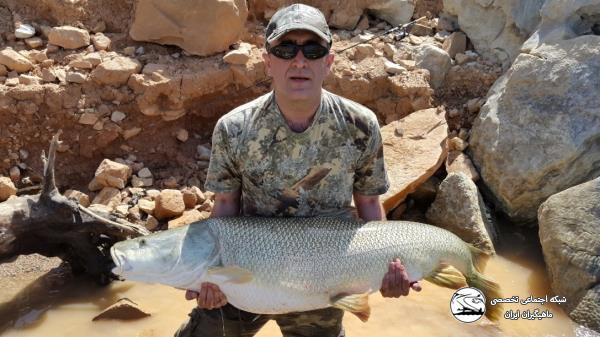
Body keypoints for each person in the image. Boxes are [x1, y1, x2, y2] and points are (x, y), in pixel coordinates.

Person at [175, 4, 421, 337]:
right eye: (286, 49)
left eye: (313, 50)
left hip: (323, 280)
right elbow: (224, 211)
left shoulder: (360, 125)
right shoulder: (233, 128)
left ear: (329, 62)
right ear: (268, 62)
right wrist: (209, 278)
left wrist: (388, 269)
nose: (300, 61)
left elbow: (369, 210)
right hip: (246, 272)